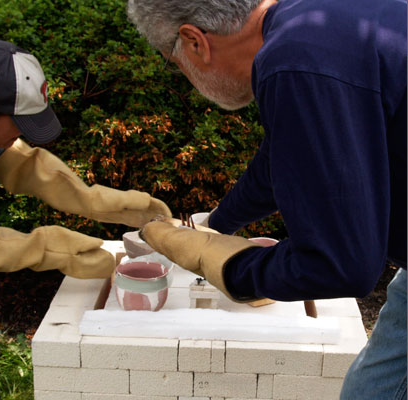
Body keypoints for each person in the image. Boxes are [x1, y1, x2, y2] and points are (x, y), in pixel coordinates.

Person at [127, 0, 407, 398]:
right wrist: (216, 225)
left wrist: (221, 263)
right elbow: (284, 156)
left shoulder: (294, 60)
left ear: (193, 42)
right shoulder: (311, 22)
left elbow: (343, 264)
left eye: (173, 63)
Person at [0, 39, 171, 400]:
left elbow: (18, 159)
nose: (24, 134)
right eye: (19, 124)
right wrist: (48, 249)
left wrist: (95, 201)